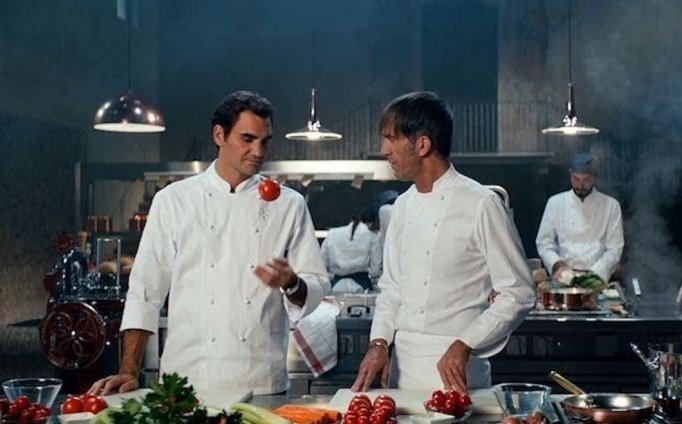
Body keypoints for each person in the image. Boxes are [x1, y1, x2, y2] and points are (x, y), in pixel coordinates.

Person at [89, 91, 330, 396]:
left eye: (265, 141)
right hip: (188, 380)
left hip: (260, 381)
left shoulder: (288, 204)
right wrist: (128, 370)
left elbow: (316, 285)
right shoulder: (174, 200)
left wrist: (292, 283)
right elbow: (146, 290)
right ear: (219, 135)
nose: (258, 151)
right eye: (247, 139)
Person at [351, 91, 535, 393]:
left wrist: (465, 344)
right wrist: (379, 343)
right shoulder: (402, 207)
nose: (384, 150)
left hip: (459, 374)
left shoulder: (482, 203)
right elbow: (392, 288)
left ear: (422, 145)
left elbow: (518, 293)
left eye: (391, 138)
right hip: (402, 375)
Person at [536, 153, 624, 283]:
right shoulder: (555, 203)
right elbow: (544, 243)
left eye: (586, 180)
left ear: (594, 178)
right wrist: (557, 265)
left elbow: (614, 248)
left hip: (597, 277)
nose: (580, 185)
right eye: (576, 179)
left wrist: (595, 275)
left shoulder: (611, 205)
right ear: (570, 175)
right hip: (564, 276)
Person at [321, 207, 382, 292]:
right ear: (371, 223)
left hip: (336, 283)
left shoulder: (332, 234)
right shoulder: (373, 238)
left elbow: (321, 262)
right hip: (362, 283)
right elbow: (376, 270)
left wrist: (330, 275)